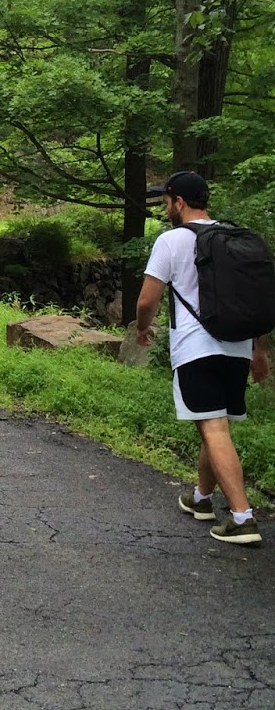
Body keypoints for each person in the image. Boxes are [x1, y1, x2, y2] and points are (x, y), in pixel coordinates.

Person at [135, 170, 270, 546]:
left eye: (166, 201)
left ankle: (242, 518)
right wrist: (259, 350)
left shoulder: (171, 240)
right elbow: (251, 299)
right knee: (214, 425)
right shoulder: (232, 238)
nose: (165, 208)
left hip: (197, 349)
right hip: (237, 347)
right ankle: (201, 497)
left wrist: (142, 328)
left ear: (179, 202)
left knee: (213, 428)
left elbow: (147, 300)